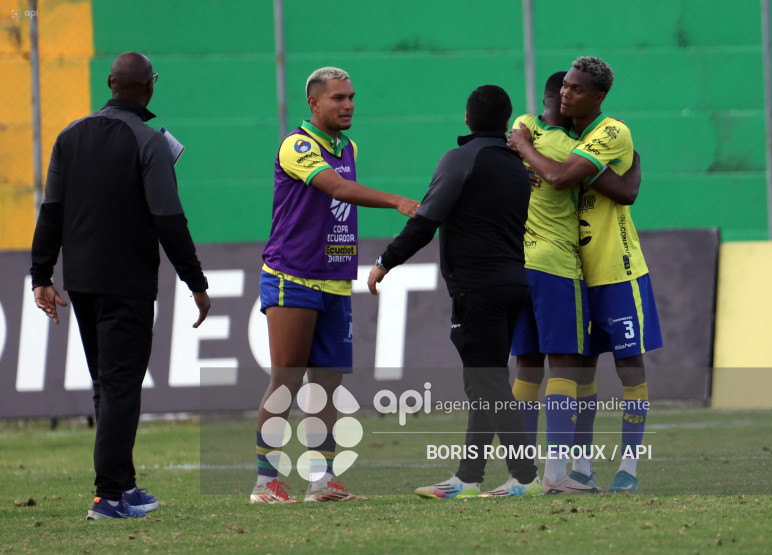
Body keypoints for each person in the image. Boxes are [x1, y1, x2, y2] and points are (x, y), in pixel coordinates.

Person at [30, 52, 211, 520]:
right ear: (150, 87)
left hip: (81, 282)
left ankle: (123, 485)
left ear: (110, 83)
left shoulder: (69, 135)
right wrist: (195, 280)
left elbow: (51, 210)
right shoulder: (148, 141)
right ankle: (109, 496)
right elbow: (168, 218)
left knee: (107, 385)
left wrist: (41, 276)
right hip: (127, 284)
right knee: (120, 386)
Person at [251, 67, 418, 504]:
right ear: (314, 103)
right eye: (338, 98)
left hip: (336, 281)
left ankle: (321, 482)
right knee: (286, 381)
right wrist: (397, 200)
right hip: (292, 277)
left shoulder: (348, 147)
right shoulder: (298, 146)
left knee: (326, 385)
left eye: (351, 97)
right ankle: (266, 483)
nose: (348, 105)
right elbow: (338, 189)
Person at [368, 85, 542, 498]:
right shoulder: (518, 167)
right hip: (514, 284)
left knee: (489, 383)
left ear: (466, 119)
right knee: (483, 383)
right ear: (506, 122)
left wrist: (386, 261)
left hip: (477, 288)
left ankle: (525, 476)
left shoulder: (460, 158)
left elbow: (426, 220)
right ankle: (468, 478)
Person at [508, 56, 662, 493]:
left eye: (576, 88)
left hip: (616, 270)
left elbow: (562, 178)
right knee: (579, 373)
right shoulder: (569, 138)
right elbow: (620, 189)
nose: (566, 93)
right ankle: (581, 467)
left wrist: (525, 148)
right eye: (565, 86)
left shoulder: (610, 132)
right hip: (574, 273)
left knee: (630, 368)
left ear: (599, 97)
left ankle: (629, 469)